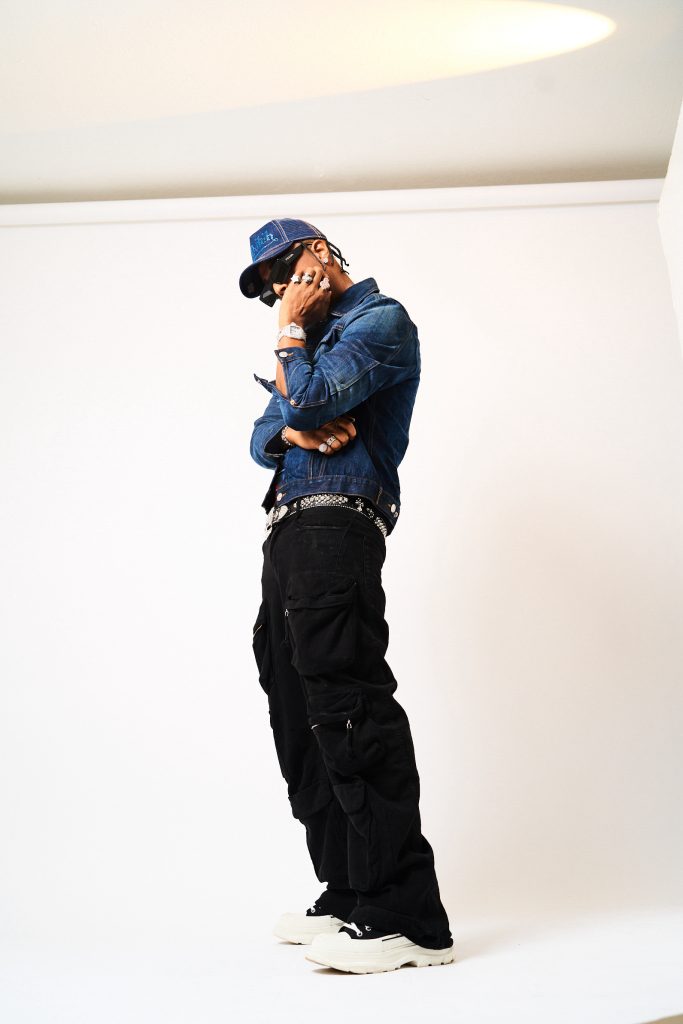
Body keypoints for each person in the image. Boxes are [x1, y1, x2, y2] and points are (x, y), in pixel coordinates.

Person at [243, 218, 453, 974]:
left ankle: (407, 915)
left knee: (347, 700)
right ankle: (349, 888)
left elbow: (302, 402)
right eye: (267, 286)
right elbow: (262, 435)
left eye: (282, 269)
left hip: (338, 524)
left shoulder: (379, 321)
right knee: (296, 707)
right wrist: (292, 432)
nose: (278, 289)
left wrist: (289, 341)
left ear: (321, 252)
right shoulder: (314, 346)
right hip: (289, 530)